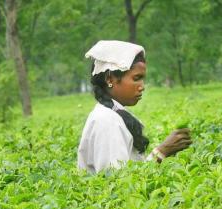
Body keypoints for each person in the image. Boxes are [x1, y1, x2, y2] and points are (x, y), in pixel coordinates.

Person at [78, 40, 192, 173]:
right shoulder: (107, 121)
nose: (142, 86)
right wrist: (161, 152)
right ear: (110, 79)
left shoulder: (113, 114)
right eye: (136, 78)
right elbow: (117, 183)